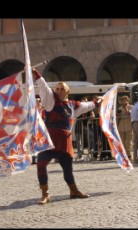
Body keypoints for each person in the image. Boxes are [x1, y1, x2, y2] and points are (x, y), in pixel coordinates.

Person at [32, 68, 100, 204]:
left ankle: (73, 190)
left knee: (67, 169)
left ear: (67, 91)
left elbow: (88, 106)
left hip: (64, 141)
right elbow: (43, 87)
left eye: (61, 89)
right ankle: (45, 194)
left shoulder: (73, 105)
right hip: (49, 140)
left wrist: (96, 101)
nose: (58, 91)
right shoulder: (50, 100)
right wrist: (35, 73)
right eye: (57, 88)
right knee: (41, 164)